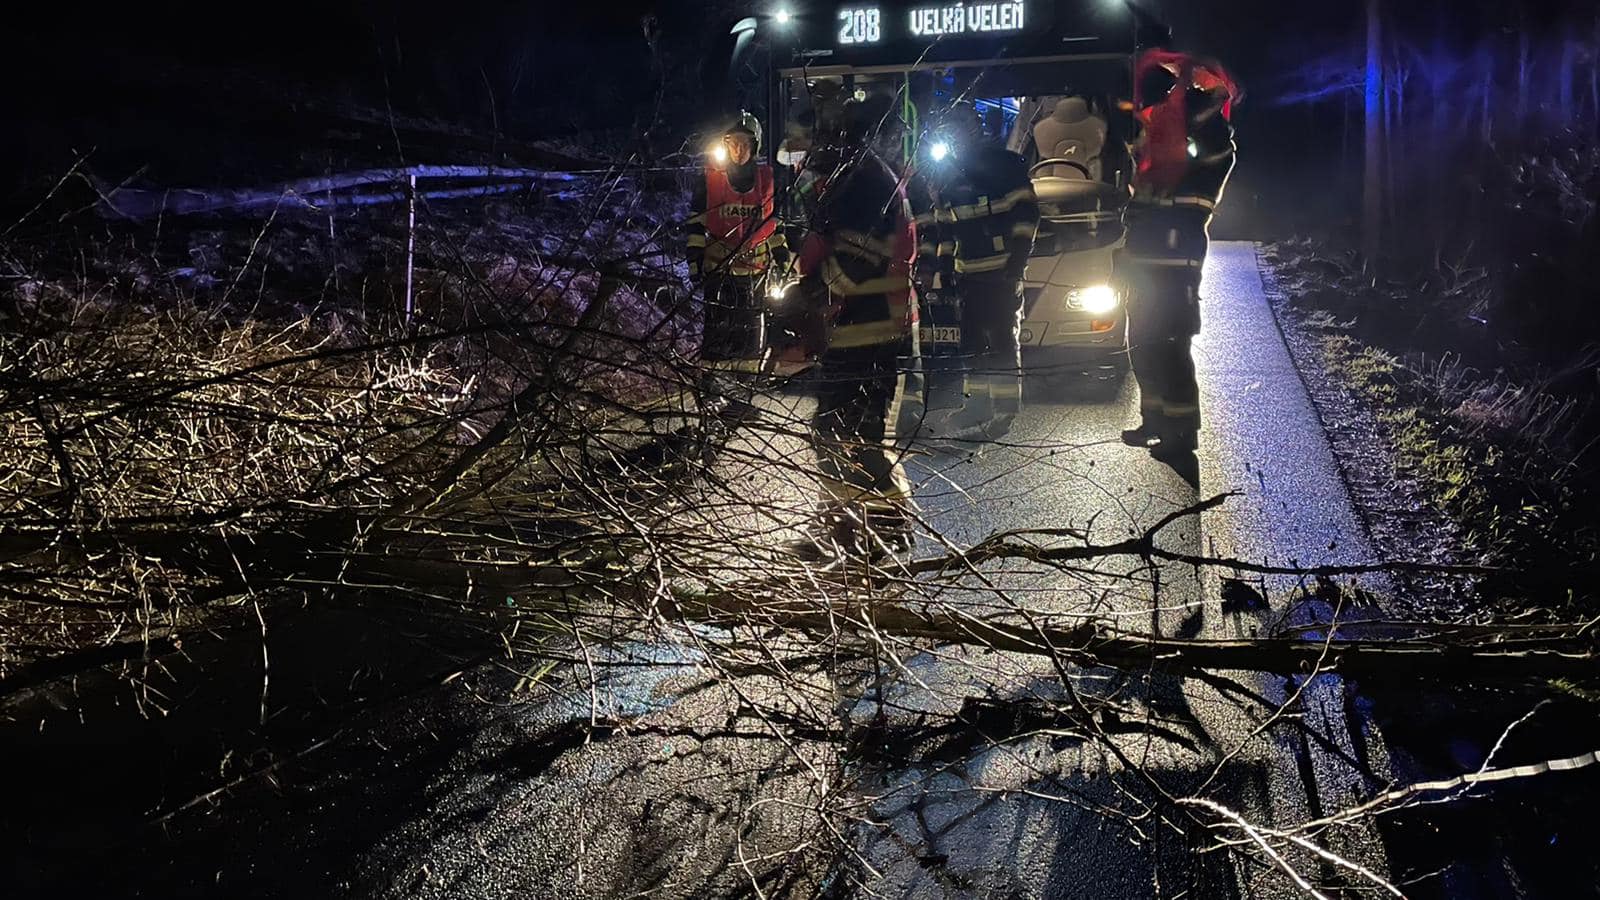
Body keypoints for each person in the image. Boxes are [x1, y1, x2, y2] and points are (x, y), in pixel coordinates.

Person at [791, 95, 919, 557]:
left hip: (870, 329)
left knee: (855, 434)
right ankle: (840, 525)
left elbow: (858, 258)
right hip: (853, 327)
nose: (811, 147)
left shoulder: (865, 183)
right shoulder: (854, 179)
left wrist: (809, 296)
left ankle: (885, 526)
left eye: (823, 136)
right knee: (832, 431)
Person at [1114, 51, 1238, 460]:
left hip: (1176, 265)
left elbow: (1213, 151)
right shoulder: (1155, 153)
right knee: (1142, 344)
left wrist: (1198, 104)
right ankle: (1155, 420)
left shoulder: (1213, 153)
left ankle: (1182, 432)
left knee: (1171, 347)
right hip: (1143, 264)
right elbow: (1135, 198)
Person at [920, 104, 1039, 440]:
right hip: (967, 275)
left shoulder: (1004, 167)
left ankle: (1004, 411)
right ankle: (977, 405)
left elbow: (1027, 216)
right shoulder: (947, 176)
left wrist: (1015, 265)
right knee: (970, 343)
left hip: (1000, 273)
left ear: (974, 129)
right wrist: (942, 272)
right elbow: (944, 230)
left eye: (960, 130)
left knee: (1001, 340)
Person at [685, 113, 790, 409]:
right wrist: (694, 261)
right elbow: (694, 225)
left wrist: (782, 258)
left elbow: (773, 226)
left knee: (750, 338)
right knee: (717, 334)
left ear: (754, 146)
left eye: (744, 143)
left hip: (755, 274)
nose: (738, 150)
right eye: (732, 143)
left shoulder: (766, 180)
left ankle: (741, 397)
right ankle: (709, 391)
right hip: (718, 272)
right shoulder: (710, 180)